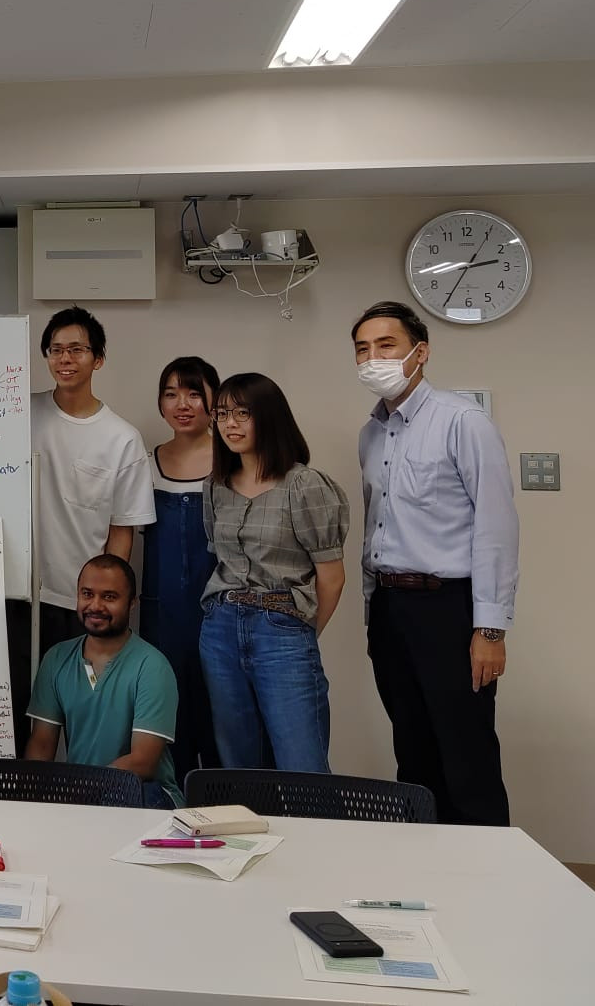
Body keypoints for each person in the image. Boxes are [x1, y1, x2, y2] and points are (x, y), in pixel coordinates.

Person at [354, 300, 518, 826]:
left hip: (449, 609)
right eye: (362, 349)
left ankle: (486, 883)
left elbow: (496, 526)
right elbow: (375, 524)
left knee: (466, 755)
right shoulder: (372, 433)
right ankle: (429, 875)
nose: (372, 358)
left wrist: (490, 628)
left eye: (386, 346)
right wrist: (370, 607)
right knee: (413, 751)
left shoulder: (462, 422)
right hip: (390, 606)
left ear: (419, 352)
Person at [9, 307, 155, 744]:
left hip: (75, 600)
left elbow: (122, 527)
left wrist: (103, 600)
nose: (65, 359)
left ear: (99, 358)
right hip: (11, 592)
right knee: (12, 714)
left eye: (76, 349)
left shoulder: (121, 437)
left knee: (77, 720)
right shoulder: (17, 414)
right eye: (55, 350)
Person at [198, 373, 348, 774]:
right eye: (223, 414)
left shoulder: (305, 485)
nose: (230, 424)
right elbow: (219, 557)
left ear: (270, 417)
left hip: (281, 625)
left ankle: (314, 838)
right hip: (220, 629)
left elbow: (331, 577)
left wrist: (299, 631)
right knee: (239, 764)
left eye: (243, 413)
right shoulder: (215, 486)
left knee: (303, 766)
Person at [26, 554, 181, 808]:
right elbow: (41, 747)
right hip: (81, 796)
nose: (95, 605)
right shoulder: (57, 658)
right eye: (87, 594)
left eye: (109, 597)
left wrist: (74, 791)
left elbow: (143, 762)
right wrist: (31, 801)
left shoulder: (152, 666)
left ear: (132, 603)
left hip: (143, 796)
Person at [141, 355, 221, 778]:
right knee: (167, 718)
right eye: (171, 394)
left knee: (224, 718)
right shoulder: (145, 464)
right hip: (162, 615)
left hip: (221, 615)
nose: (182, 403)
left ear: (214, 400)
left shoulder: (233, 460)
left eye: (193, 392)